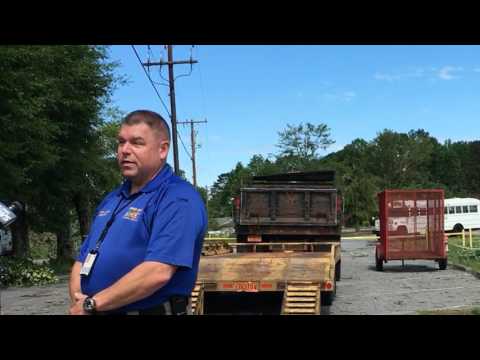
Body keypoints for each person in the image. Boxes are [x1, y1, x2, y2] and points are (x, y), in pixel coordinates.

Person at [69, 110, 207, 315]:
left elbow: (157, 271)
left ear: (162, 149)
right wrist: (79, 301)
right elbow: (83, 259)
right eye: (121, 142)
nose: (125, 150)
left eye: (137, 143)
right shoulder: (112, 199)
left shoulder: (177, 198)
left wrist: (92, 304)